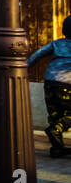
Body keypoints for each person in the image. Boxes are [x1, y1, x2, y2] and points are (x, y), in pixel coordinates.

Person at [28, 16, 71, 157]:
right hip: (67, 83)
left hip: (50, 82)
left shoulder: (57, 43)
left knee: (55, 114)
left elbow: (37, 55)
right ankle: (56, 130)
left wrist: (24, 67)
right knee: (64, 118)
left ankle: (58, 148)